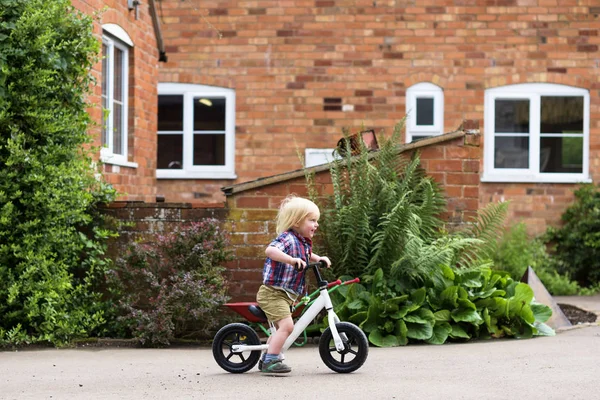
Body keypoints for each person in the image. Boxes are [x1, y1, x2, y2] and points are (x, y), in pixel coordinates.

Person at [256, 195, 331, 373]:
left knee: (278, 331)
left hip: (285, 295)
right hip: (273, 293)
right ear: (297, 222)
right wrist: (291, 260)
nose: (316, 224)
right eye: (312, 220)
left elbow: (307, 254)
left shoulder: (302, 242)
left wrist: (318, 258)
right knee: (287, 327)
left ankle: (265, 357)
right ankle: (270, 361)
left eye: (316, 220)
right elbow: (270, 250)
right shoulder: (288, 239)